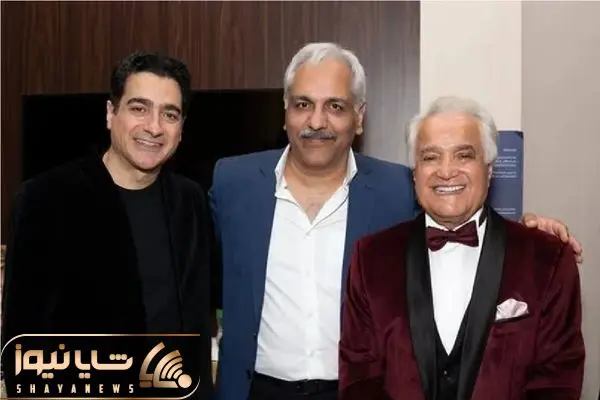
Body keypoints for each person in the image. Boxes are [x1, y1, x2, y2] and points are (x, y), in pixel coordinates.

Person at [210, 42, 583, 400]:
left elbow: (460, 215)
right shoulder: (232, 184)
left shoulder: (398, 189)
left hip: (351, 389)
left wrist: (530, 229)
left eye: (335, 106)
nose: (317, 121)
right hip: (254, 390)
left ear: (359, 117)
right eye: (303, 104)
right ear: (285, 110)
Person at [339, 96, 585, 400]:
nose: (446, 171)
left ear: (489, 169)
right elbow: (359, 380)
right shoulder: (371, 259)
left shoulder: (548, 259)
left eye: (463, 155)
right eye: (430, 157)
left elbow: (557, 382)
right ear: (414, 172)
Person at [1, 51, 214, 399]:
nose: (154, 127)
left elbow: (196, 326)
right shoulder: (46, 199)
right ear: (110, 113)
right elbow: (22, 345)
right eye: (139, 108)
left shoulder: (190, 200)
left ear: (181, 129)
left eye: (169, 114)